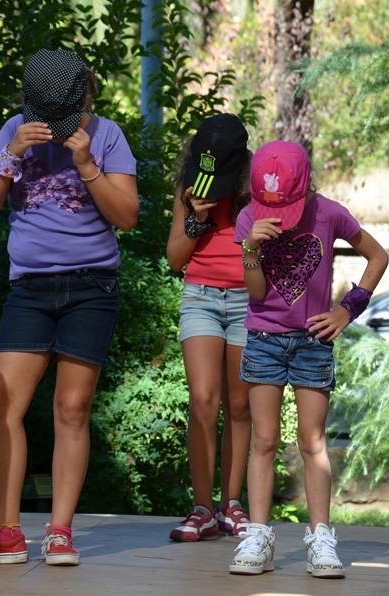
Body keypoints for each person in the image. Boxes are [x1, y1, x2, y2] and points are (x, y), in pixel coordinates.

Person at [0, 48, 138, 567]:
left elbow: (128, 217)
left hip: (91, 286)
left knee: (71, 410)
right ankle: (4, 533)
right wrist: (9, 156)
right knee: (2, 404)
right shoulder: (14, 130)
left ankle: (60, 532)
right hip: (29, 289)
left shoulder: (107, 135)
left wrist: (87, 164)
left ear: (86, 94)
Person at [228, 141, 388, 577]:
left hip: (313, 342)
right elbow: (257, 293)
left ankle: (321, 538)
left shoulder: (329, 213)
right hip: (263, 340)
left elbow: (378, 256)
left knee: (312, 440)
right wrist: (251, 250)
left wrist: (347, 309)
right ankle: (258, 535)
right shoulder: (247, 217)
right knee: (263, 439)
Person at [166, 113, 253, 542]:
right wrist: (195, 220)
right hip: (200, 297)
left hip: (246, 302)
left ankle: (231, 505)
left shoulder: (257, 188)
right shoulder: (190, 186)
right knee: (203, 400)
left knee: (240, 406)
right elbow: (174, 259)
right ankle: (202, 508)